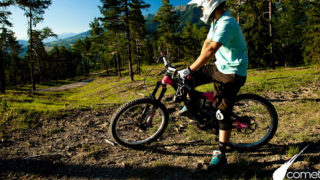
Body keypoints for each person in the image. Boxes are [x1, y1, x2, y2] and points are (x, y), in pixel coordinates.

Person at [178, 0, 248, 170]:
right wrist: (192, 69)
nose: (201, 9)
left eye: (201, 6)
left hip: (232, 72)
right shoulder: (216, 21)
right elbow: (206, 44)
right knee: (187, 79)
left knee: (221, 112)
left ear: (210, 4)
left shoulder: (227, 23)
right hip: (219, 66)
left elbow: (212, 49)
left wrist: (190, 68)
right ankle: (193, 104)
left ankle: (221, 153)